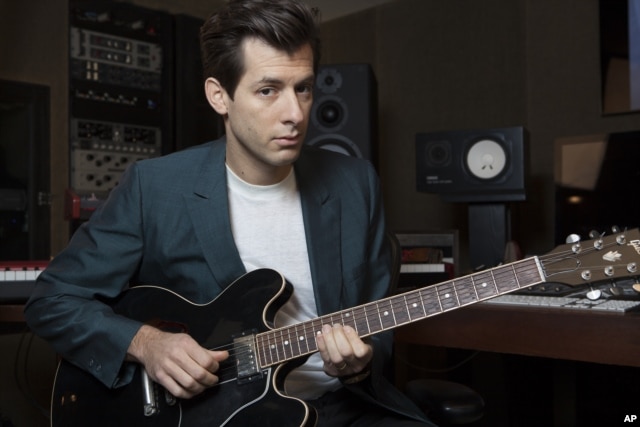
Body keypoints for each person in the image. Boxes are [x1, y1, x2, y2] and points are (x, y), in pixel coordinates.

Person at [25, 0, 435, 425]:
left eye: (304, 88)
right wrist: (146, 343)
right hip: (217, 415)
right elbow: (53, 299)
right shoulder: (155, 187)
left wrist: (360, 363)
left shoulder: (355, 183)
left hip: (344, 408)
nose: (295, 114)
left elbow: (378, 317)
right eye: (268, 90)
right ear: (219, 96)